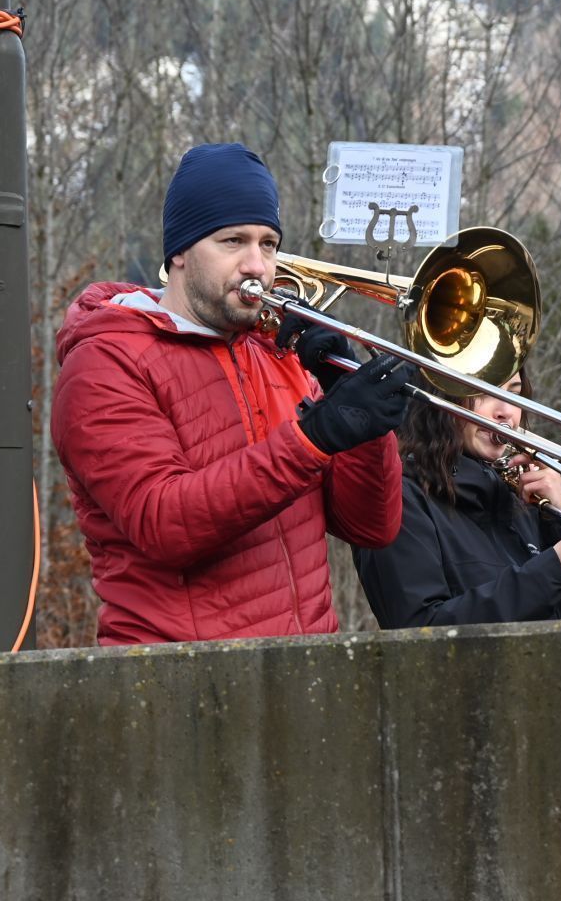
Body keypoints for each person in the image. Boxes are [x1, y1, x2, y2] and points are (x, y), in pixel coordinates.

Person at [53, 142, 417, 645]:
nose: (257, 265)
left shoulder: (276, 351)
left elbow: (371, 527)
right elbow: (164, 523)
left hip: (303, 667)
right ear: (178, 251)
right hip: (178, 677)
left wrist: (359, 420)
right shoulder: (104, 362)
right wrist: (315, 436)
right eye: (233, 241)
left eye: (268, 244)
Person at [351, 370, 561, 628]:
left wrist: (559, 518)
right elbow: (419, 632)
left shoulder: (518, 496)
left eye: (514, 393)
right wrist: (553, 572)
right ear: (439, 396)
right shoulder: (396, 497)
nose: (506, 412)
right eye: (482, 392)